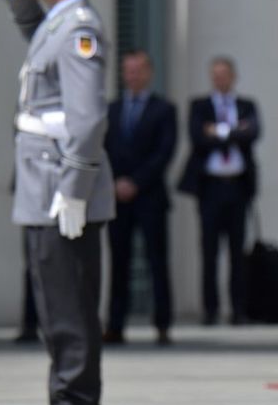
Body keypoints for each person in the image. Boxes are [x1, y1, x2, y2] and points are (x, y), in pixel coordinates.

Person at [4, 0, 114, 405]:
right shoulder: (53, 24)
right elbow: (22, 11)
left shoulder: (78, 29)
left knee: (69, 311)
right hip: (42, 186)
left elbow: (88, 117)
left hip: (60, 190)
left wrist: (74, 186)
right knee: (54, 309)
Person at [177, 56, 260, 325]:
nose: (220, 79)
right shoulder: (200, 106)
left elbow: (252, 134)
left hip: (237, 186)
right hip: (210, 188)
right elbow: (198, 138)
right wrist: (234, 131)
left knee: (237, 251)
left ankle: (238, 309)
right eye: (216, 74)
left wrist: (219, 131)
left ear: (233, 76)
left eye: (224, 74)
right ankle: (210, 309)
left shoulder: (246, 105)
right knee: (209, 251)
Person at [104, 49, 177, 345]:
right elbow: (103, 149)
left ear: (148, 73)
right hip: (117, 199)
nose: (133, 76)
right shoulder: (111, 110)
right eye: (128, 71)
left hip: (149, 198)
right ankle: (115, 324)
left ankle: (162, 323)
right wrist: (116, 183)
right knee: (117, 262)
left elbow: (164, 152)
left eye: (138, 71)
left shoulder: (164, 110)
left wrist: (135, 182)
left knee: (156, 261)